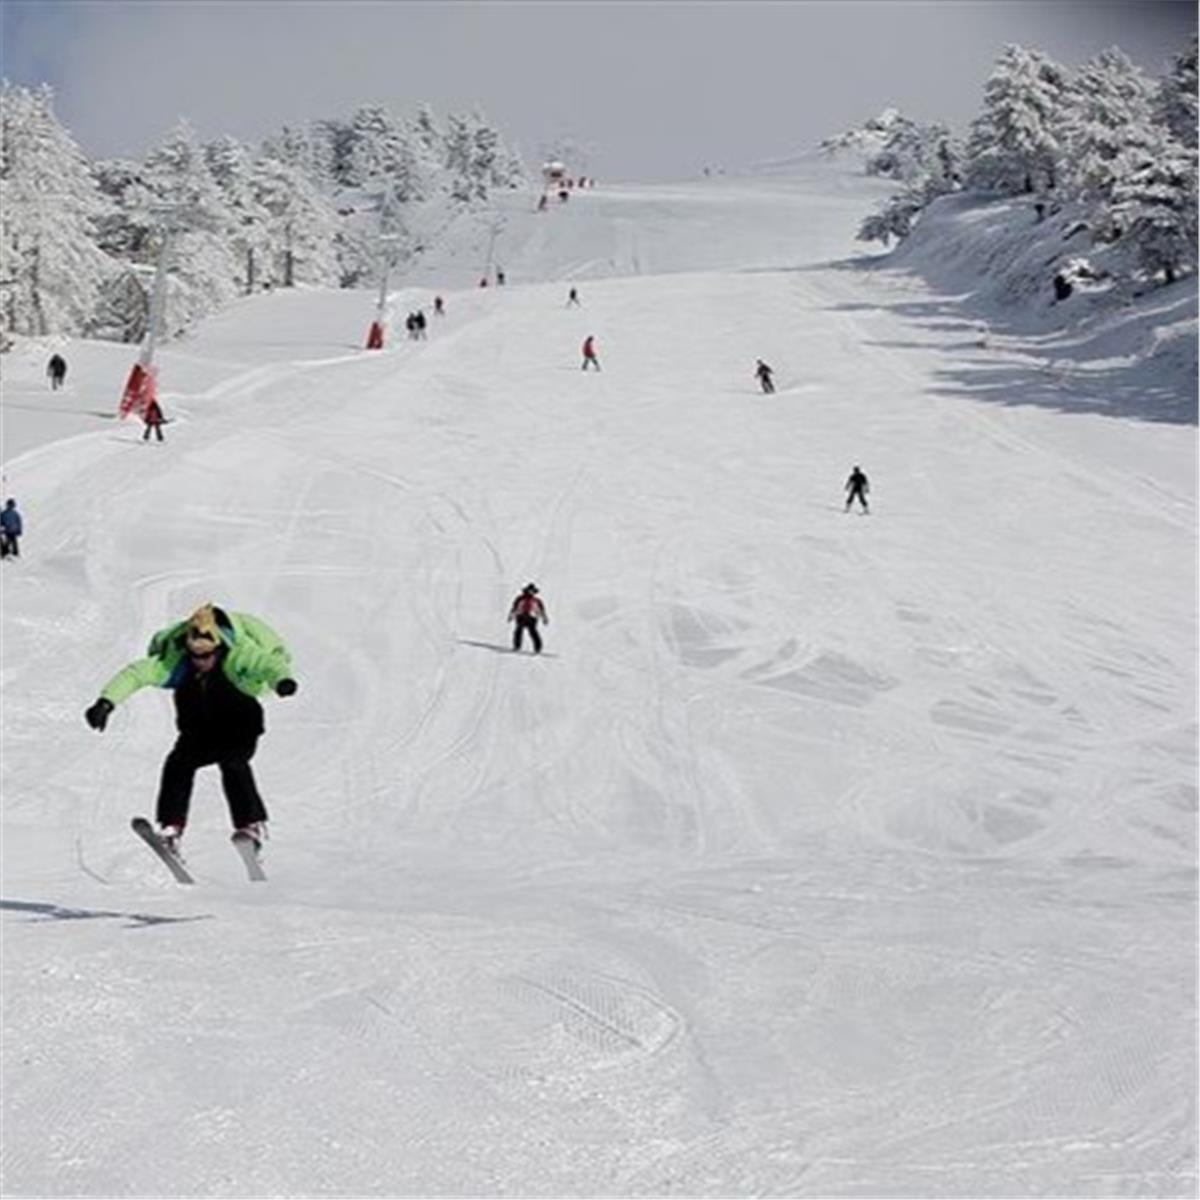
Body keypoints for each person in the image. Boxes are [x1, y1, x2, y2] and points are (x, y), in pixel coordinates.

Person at [84, 603, 297, 857]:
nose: (200, 662)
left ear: (218, 649)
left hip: (239, 727)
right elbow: (136, 674)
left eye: (206, 656)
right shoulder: (176, 662)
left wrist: (282, 680)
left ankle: (250, 826)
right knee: (177, 765)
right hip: (199, 731)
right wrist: (106, 702)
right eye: (194, 656)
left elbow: (268, 664)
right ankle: (171, 829)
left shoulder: (240, 654)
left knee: (233, 763)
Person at [508, 584, 548, 654]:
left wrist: (544, 618)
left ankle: (537, 648)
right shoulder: (520, 598)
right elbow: (514, 607)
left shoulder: (536, 600)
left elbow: (541, 610)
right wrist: (511, 615)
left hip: (532, 617)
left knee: (533, 632)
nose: (530, 592)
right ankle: (517, 646)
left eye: (532, 591)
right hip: (521, 616)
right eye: (529, 591)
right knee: (518, 631)